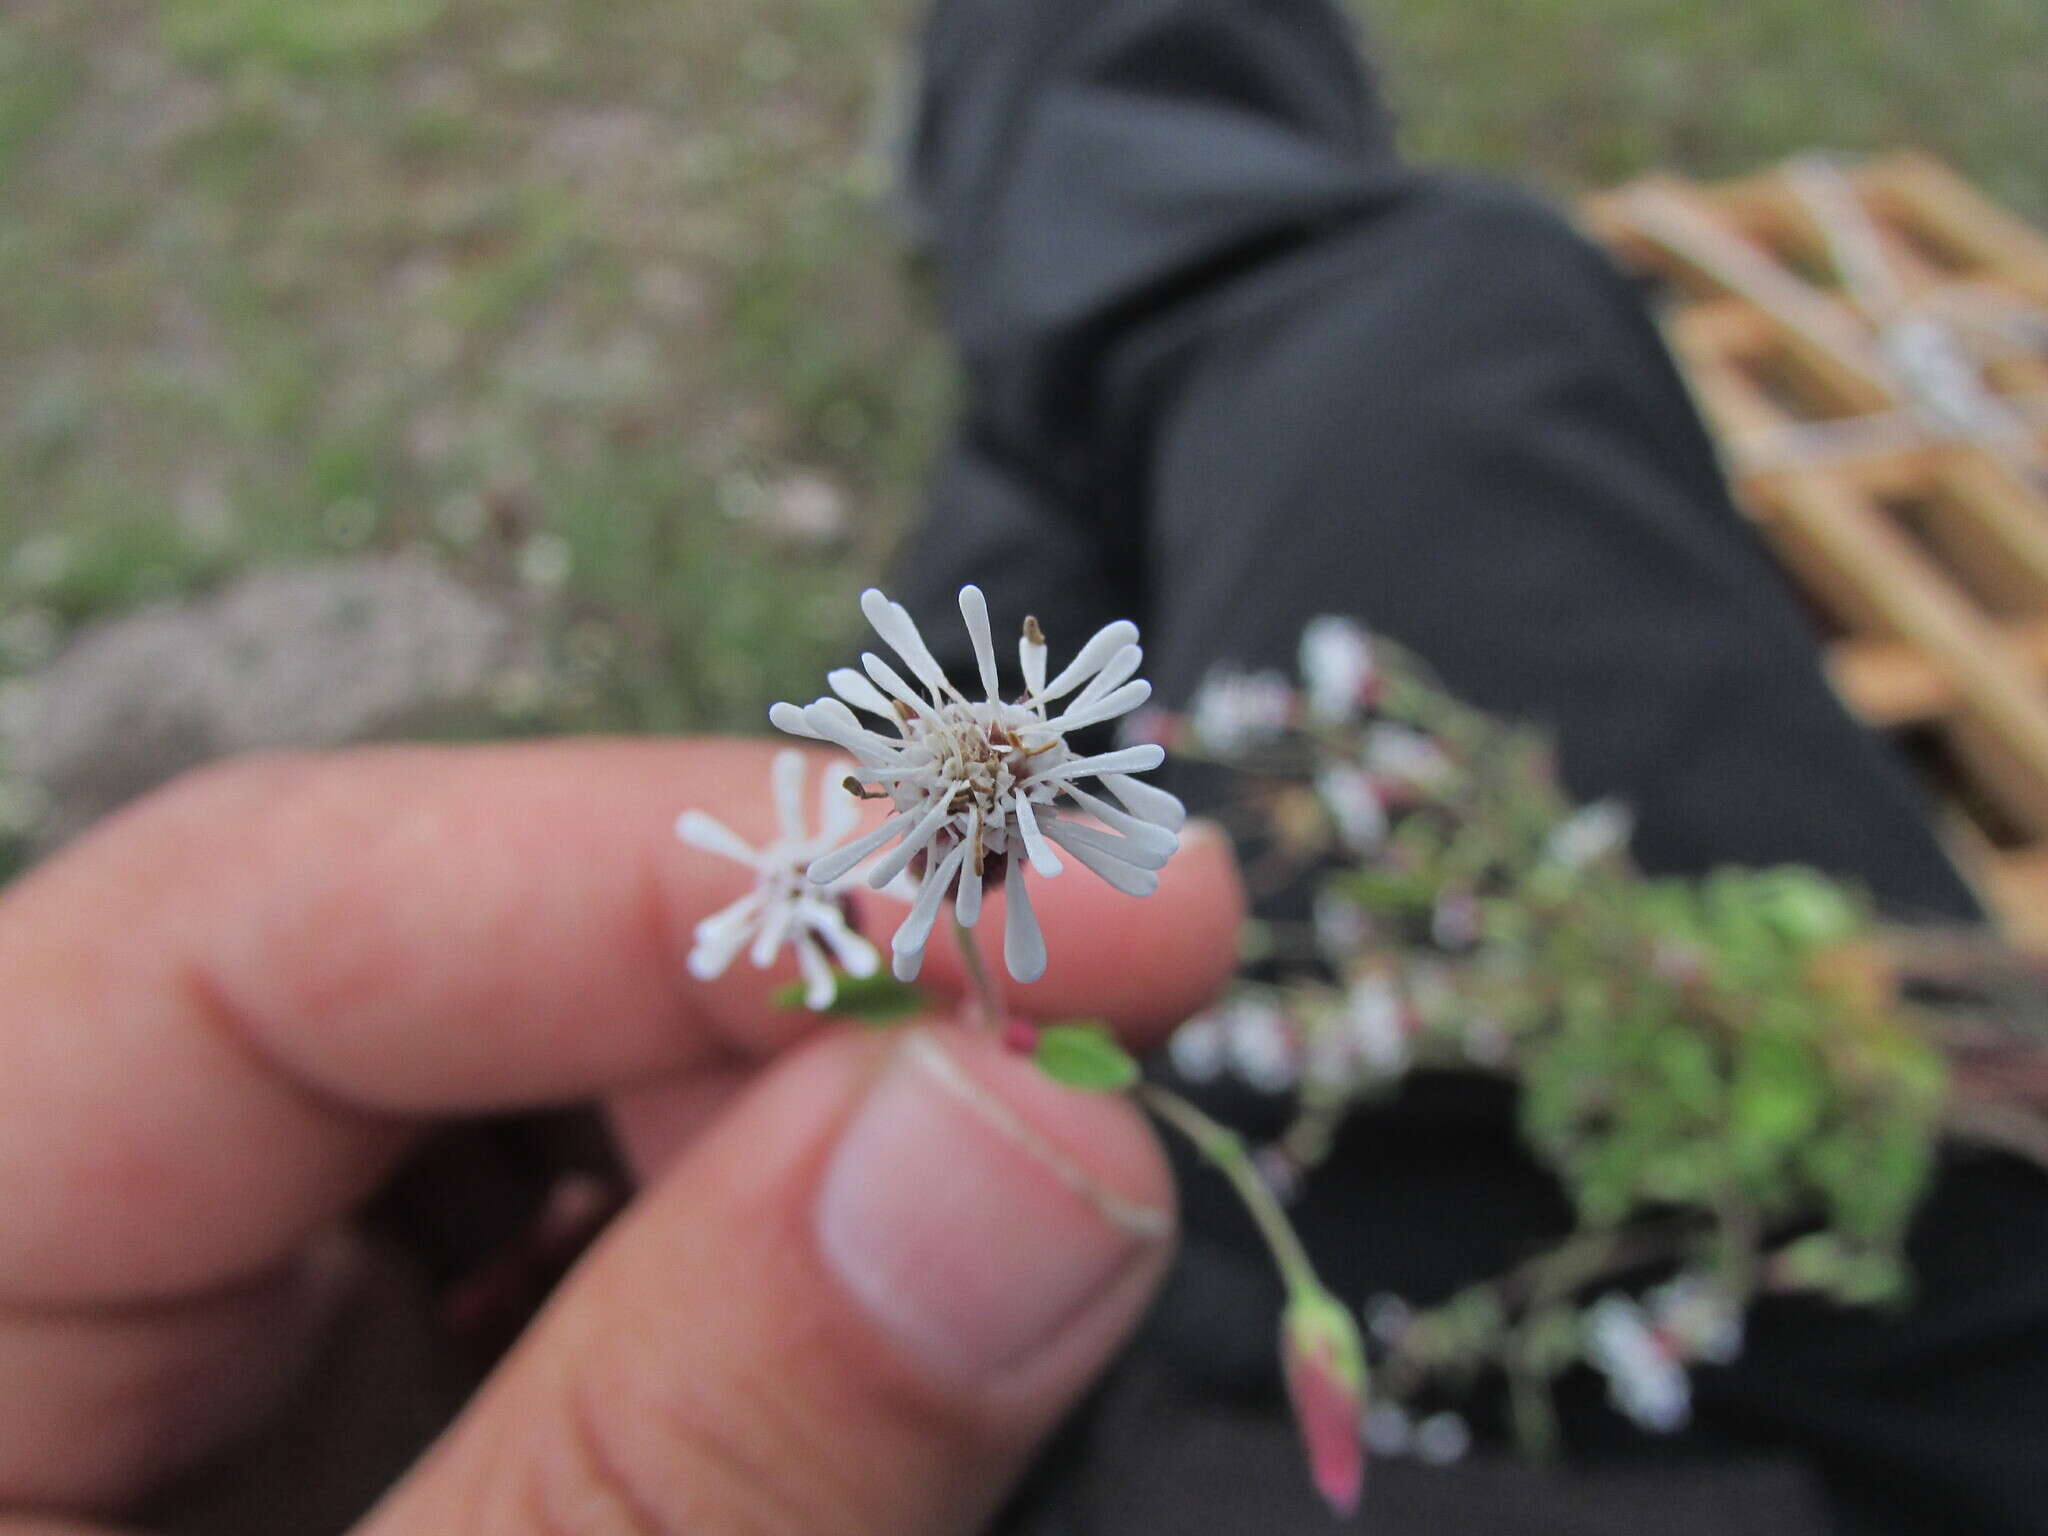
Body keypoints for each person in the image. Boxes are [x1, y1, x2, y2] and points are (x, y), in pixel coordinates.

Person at [5, 4, 2045, 1536]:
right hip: (1649, 1380)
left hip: (1194, 1355)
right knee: (1409, 306)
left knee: (1160, 445)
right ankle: (1078, 203)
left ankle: (1060, 204)